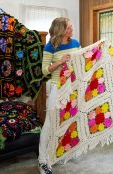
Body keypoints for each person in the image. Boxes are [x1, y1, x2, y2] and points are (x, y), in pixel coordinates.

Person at [38, 17, 80, 174]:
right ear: (61, 30)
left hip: (73, 87)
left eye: (71, 26)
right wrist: (61, 62)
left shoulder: (75, 43)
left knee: (69, 120)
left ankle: (62, 152)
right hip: (58, 87)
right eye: (69, 27)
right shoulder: (51, 46)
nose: (72, 29)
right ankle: (42, 161)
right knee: (50, 124)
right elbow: (44, 70)